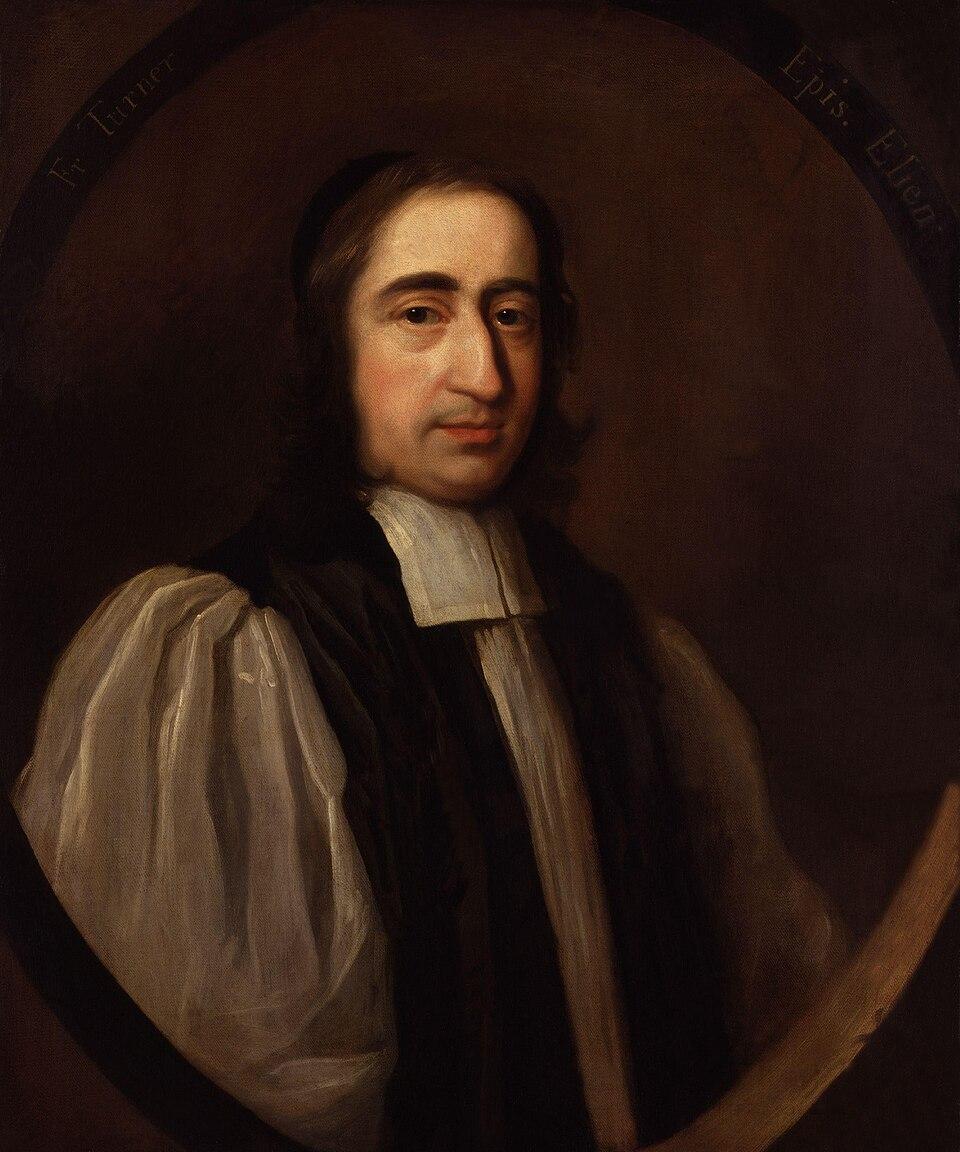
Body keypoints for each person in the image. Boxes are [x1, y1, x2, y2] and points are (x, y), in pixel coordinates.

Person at [11, 154, 846, 1152]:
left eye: (512, 315)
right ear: (331, 346)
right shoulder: (216, 653)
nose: (484, 375)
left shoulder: (639, 656)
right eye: (420, 313)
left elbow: (785, 1000)